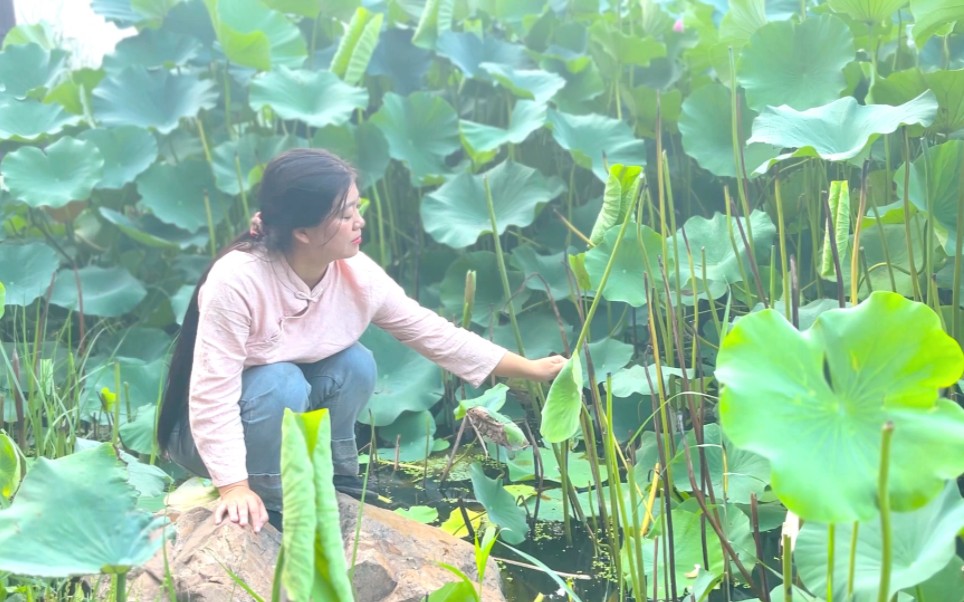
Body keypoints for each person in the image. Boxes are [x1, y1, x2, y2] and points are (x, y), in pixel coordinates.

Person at [156, 148, 566, 533]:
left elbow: (433, 333)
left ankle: (337, 478)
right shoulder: (238, 280)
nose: (359, 221)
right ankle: (272, 495)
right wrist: (233, 486)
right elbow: (212, 395)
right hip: (209, 436)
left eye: (357, 207)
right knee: (281, 381)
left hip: (281, 418)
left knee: (355, 362)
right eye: (345, 213)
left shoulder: (355, 273)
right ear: (302, 231)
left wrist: (530, 368)